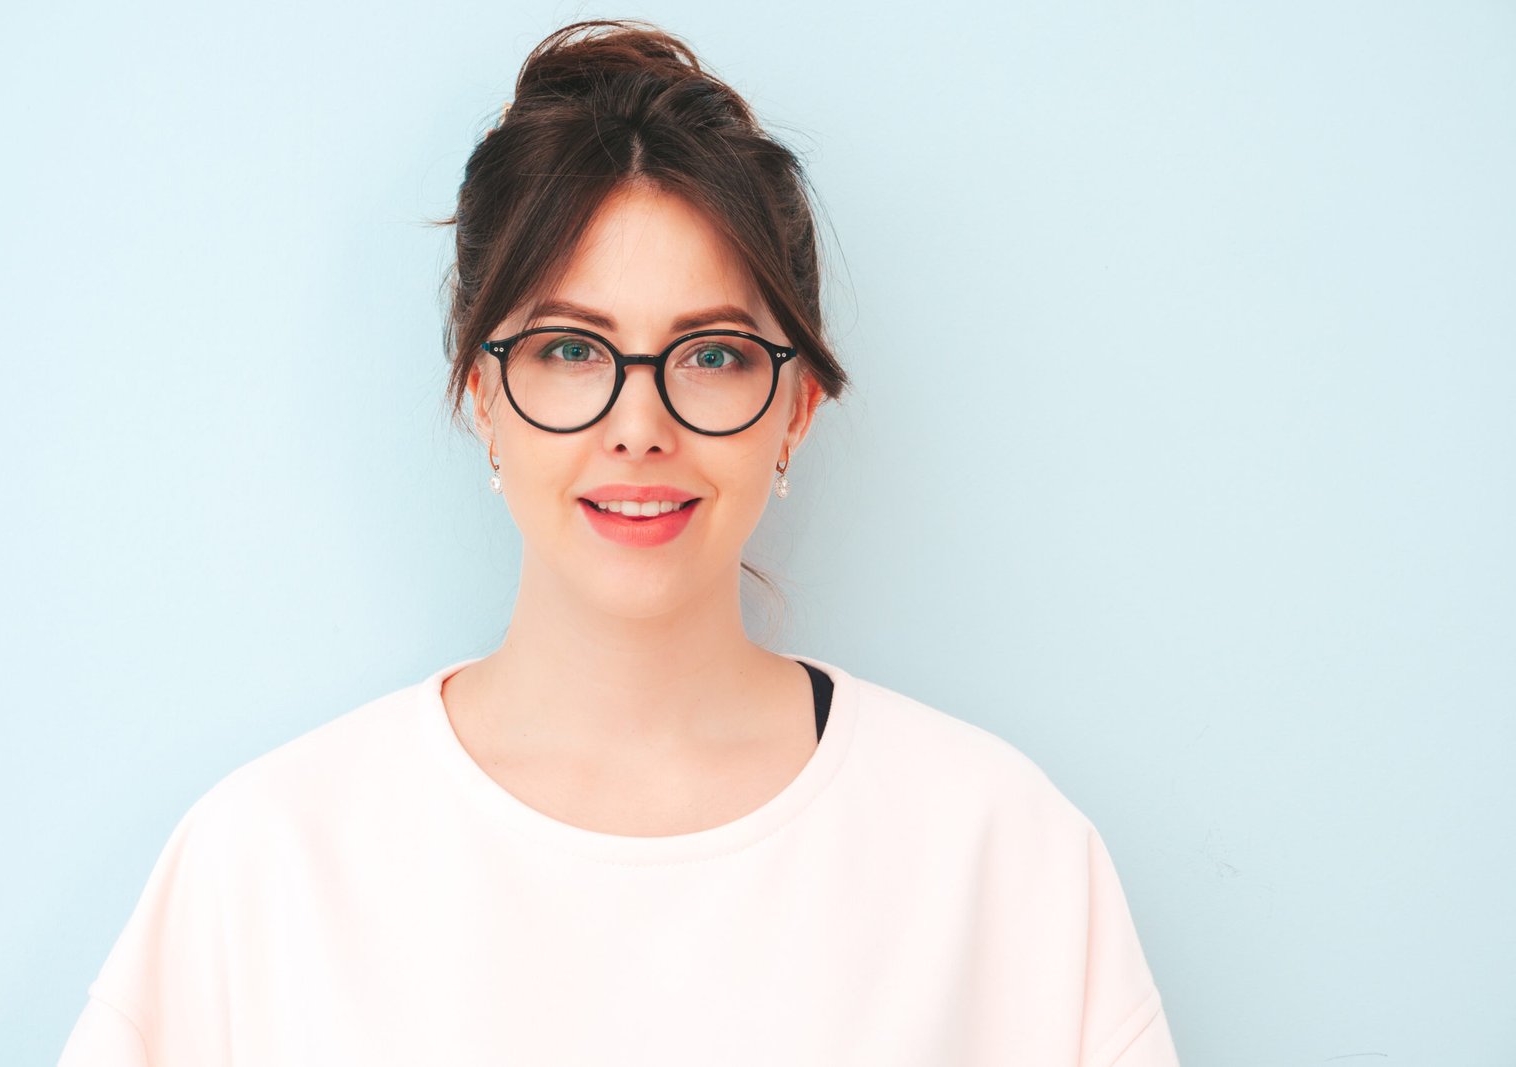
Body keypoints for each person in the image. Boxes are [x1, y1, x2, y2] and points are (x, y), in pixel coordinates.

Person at [58, 19, 1179, 1066]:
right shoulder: (268, 865)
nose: (637, 427)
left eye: (712, 355)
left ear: (797, 408)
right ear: (478, 392)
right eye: (567, 350)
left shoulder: (995, 851)